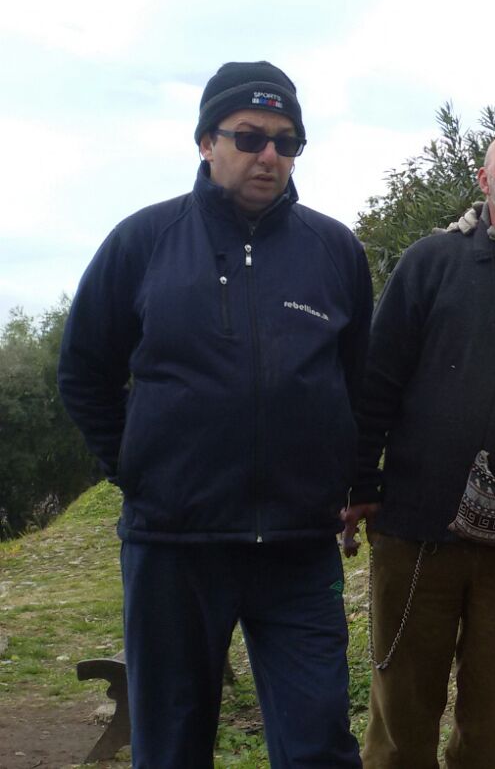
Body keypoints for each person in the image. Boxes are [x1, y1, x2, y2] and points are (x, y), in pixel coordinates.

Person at [57, 61, 368, 767]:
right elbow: (83, 372)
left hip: (297, 544)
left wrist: (353, 480)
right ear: (205, 140)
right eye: (250, 136)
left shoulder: (334, 251)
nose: (270, 156)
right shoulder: (143, 242)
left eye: (287, 142)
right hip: (175, 545)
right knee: (170, 745)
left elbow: (355, 382)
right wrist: (134, 468)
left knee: (320, 740)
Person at [347, 125, 495, 766]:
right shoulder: (431, 261)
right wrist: (362, 482)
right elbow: (379, 379)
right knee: (401, 718)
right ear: (484, 179)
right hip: (417, 528)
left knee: (492, 721)